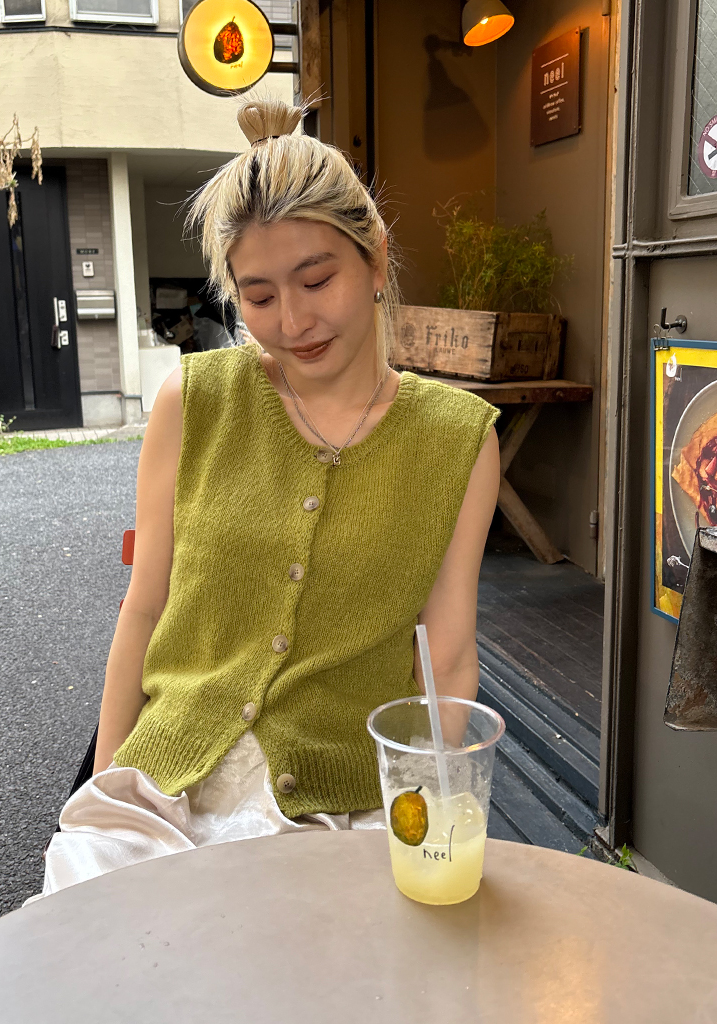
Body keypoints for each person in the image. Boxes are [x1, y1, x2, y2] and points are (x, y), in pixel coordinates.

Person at [34, 96, 500, 898]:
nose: (293, 321)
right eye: (258, 296)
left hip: (340, 811)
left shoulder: (458, 439)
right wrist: (101, 798)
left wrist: (420, 806)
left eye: (317, 280)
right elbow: (145, 608)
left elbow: (449, 656)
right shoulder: (194, 400)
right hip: (162, 793)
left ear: (376, 259)